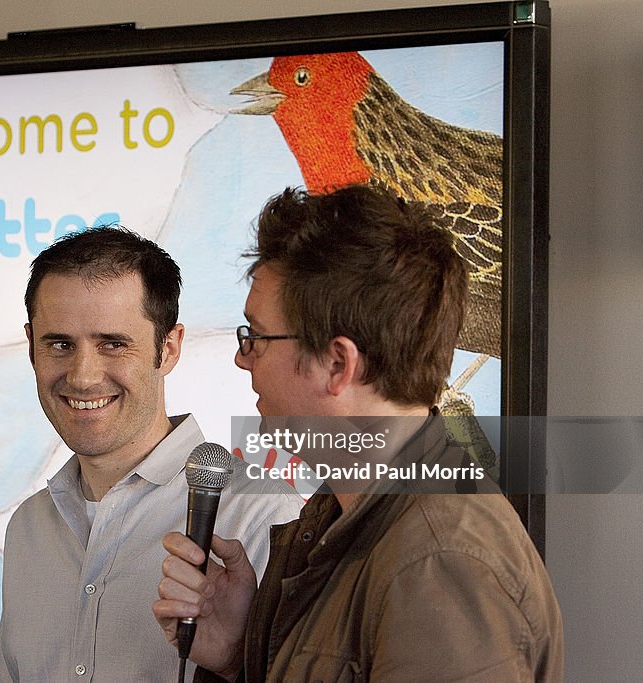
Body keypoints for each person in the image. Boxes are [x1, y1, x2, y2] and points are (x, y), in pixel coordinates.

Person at [153, 185, 563, 681]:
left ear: (337, 364)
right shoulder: (345, 515)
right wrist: (241, 656)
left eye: (256, 337)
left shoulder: (442, 564)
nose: (242, 358)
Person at [0, 226, 302, 682]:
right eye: (59, 344)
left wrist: (237, 666)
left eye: (112, 344)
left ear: (169, 349)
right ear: (31, 347)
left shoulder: (261, 519)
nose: (81, 376)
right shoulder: (29, 528)